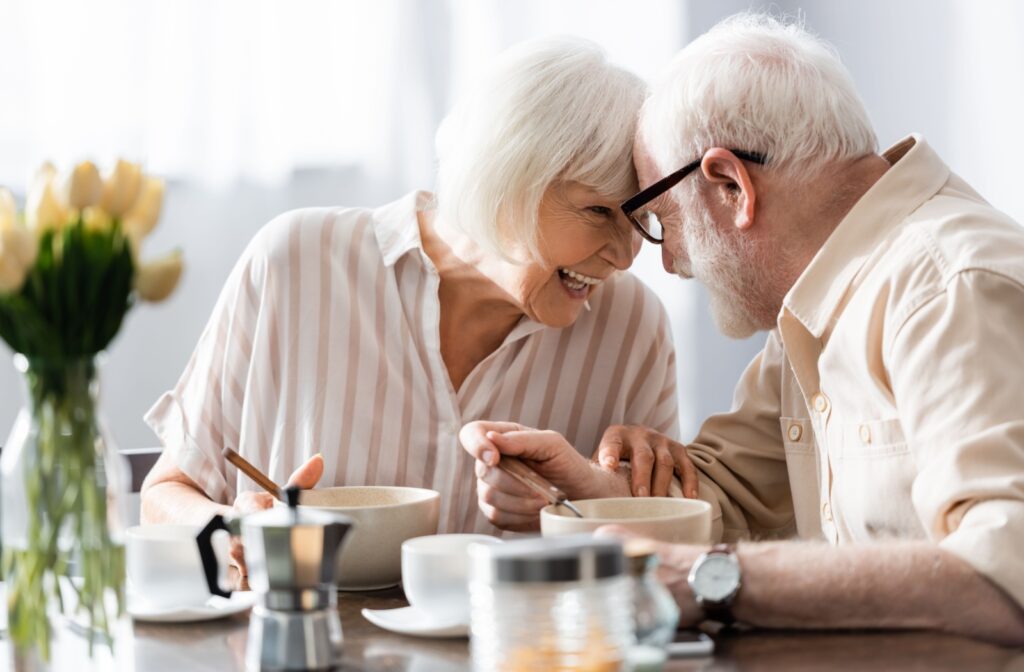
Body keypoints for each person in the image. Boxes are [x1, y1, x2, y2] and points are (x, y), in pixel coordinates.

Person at [460, 14, 1024, 644]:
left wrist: (717, 579)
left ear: (731, 186)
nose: (667, 262)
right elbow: (730, 498)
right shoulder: (816, 304)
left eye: (661, 220)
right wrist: (586, 492)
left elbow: (1006, 574)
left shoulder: (949, 288)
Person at [140, 37, 688, 580]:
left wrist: (617, 497)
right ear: (508, 179)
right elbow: (166, 494)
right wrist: (233, 530)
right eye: (598, 211)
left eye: (639, 219)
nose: (624, 255)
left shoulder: (633, 327)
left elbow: (668, 566)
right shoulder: (294, 263)